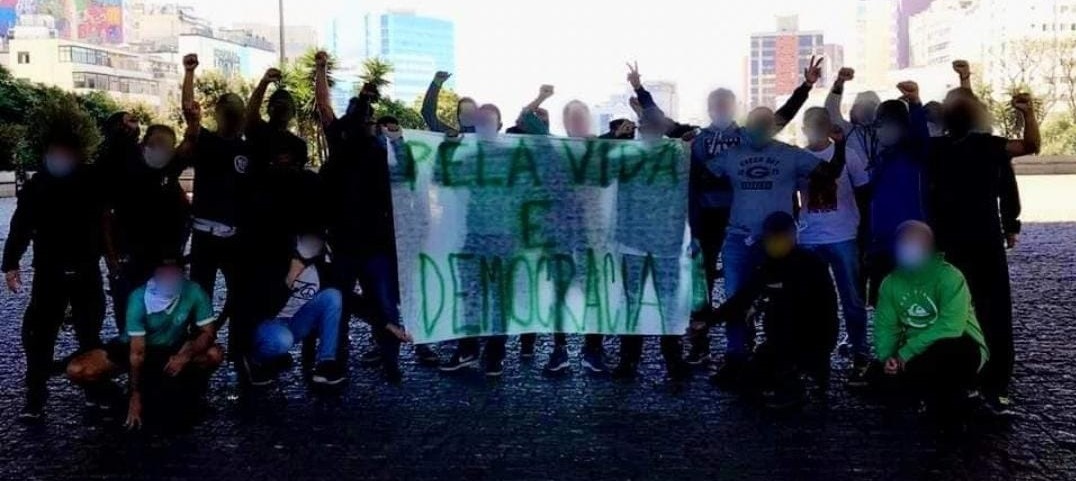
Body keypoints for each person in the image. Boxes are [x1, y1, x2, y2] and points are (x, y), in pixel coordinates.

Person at [685, 57, 821, 366]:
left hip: (758, 225)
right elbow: (684, 155)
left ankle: (773, 352)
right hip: (713, 220)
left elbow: (784, 114)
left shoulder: (749, 134)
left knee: (775, 293)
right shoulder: (699, 136)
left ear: (733, 107)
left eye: (724, 103)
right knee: (711, 282)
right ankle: (723, 349)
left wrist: (807, 86)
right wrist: (682, 150)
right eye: (715, 104)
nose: (719, 109)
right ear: (709, 108)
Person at [705, 106, 848, 386]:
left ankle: (784, 353)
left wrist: (840, 146)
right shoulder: (730, 156)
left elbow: (830, 173)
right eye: (754, 122)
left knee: (784, 297)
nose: (759, 127)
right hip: (738, 237)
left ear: (774, 126)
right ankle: (736, 356)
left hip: (776, 242)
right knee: (737, 296)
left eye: (765, 123)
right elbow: (701, 177)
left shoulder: (790, 154)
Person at [314, 52, 428, 382]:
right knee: (362, 304)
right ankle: (346, 358)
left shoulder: (375, 146)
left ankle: (358, 358)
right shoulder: (356, 142)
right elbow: (324, 106)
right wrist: (321, 71)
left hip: (367, 244)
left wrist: (397, 140)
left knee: (369, 303)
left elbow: (406, 172)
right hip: (355, 244)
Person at [926, 87, 1037, 415]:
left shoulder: (984, 146)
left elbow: (1029, 147)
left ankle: (991, 384)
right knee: (958, 315)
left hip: (976, 245)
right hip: (956, 246)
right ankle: (964, 381)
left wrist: (1027, 113)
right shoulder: (939, 149)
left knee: (990, 315)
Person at [3, 100, 107, 420]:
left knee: (89, 333)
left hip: (86, 272)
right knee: (40, 336)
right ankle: (35, 398)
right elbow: (21, 224)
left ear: (77, 155)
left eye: (66, 153)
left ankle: (94, 390)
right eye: (54, 153)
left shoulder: (91, 180)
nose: (59, 159)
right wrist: (10, 263)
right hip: (49, 273)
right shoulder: (37, 186)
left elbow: (108, 216)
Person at [694, 212, 838, 408]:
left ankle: (803, 379)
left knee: (787, 380)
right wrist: (709, 321)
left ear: (793, 237)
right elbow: (744, 298)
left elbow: (829, 311)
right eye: (771, 239)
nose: (775, 244)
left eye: (781, 239)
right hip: (779, 342)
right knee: (747, 383)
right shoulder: (768, 266)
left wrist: (823, 348)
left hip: (811, 341)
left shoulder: (811, 265)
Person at [66, 257, 223, 429]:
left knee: (214, 354)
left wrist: (186, 354)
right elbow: (137, 353)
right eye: (164, 273)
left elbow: (208, 333)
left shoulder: (194, 291)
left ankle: (193, 390)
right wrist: (135, 395)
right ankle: (115, 395)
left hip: (171, 349)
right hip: (134, 347)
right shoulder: (138, 298)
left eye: (174, 273)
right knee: (78, 369)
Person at [873, 221, 989, 417]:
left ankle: (954, 395)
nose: (909, 251)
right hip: (914, 354)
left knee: (951, 353)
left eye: (916, 245)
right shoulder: (890, 283)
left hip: (956, 345)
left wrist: (905, 354)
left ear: (929, 249)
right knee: (879, 378)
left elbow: (951, 327)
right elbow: (885, 327)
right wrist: (887, 359)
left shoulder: (950, 277)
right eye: (904, 245)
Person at [175, 53, 251, 342]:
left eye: (236, 114)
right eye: (227, 113)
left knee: (240, 293)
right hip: (205, 233)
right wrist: (189, 73)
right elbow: (188, 112)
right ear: (218, 114)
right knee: (200, 292)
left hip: (234, 236)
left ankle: (237, 349)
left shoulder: (247, 151)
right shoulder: (206, 140)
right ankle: (198, 345)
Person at [796, 107, 871, 384]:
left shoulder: (850, 155)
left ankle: (859, 351)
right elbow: (792, 197)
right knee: (809, 302)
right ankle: (812, 355)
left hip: (843, 236)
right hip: (809, 237)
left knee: (852, 299)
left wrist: (863, 232)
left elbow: (864, 194)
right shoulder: (798, 158)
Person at [248, 232, 368, 386]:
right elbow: (264, 308)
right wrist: (290, 277)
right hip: (268, 323)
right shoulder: (273, 264)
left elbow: (348, 298)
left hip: (295, 322)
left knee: (333, 295)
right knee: (282, 340)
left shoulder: (322, 268)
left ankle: (326, 363)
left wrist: (386, 324)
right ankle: (255, 360)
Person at [104, 124, 190, 334]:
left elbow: (185, 213)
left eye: (167, 147)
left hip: (162, 260)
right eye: (156, 144)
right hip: (129, 258)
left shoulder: (169, 173)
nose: (161, 150)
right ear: (144, 144)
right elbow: (106, 217)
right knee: (128, 315)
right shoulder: (124, 171)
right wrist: (112, 258)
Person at [862, 84, 932, 306]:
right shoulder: (879, 159)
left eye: (887, 125)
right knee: (885, 307)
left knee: (913, 304)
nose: (881, 130)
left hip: (910, 243)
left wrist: (915, 104)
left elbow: (921, 138)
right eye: (879, 125)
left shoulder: (913, 155)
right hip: (881, 246)